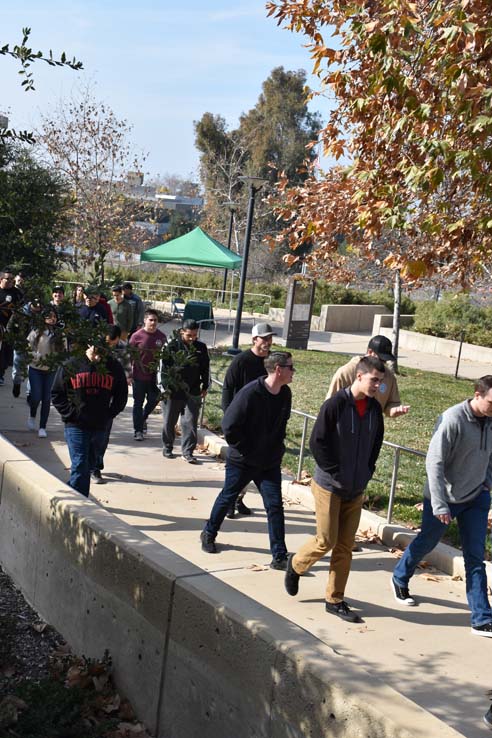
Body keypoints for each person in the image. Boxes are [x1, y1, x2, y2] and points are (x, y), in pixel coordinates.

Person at [284, 355, 385, 622]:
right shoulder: (335, 405)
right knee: (326, 540)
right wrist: (335, 471)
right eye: (374, 380)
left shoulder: (374, 410)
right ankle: (296, 565)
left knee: (345, 546)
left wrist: (367, 471)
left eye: (380, 382)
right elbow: (317, 442)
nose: (377, 386)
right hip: (329, 486)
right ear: (359, 376)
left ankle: (335, 599)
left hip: (356, 488)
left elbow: (376, 444)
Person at [391, 376, 492, 637]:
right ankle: (400, 577)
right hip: (444, 498)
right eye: (491, 402)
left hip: (476, 497)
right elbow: (434, 463)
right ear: (477, 395)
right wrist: (439, 504)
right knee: (427, 541)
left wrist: (487, 484)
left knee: (475, 557)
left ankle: (481, 618)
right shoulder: (452, 419)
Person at [200, 351, 294, 569]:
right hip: (243, 460)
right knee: (228, 496)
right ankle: (209, 533)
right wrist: (245, 449)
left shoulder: (285, 394)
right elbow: (229, 426)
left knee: (275, 506)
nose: (293, 372)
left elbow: (282, 424)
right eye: (290, 367)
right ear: (278, 369)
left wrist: (277, 448)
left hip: (269, 462)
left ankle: (279, 555)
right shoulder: (250, 393)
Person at [51, 341, 128, 497]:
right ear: (87, 348)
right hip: (75, 425)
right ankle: (82, 508)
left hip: (100, 425)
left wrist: (109, 414)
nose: (98, 357)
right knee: (80, 464)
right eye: (95, 353)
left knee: (90, 464)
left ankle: (69, 495)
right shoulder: (71, 365)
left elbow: (121, 395)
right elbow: (57, 393)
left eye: (102, 354)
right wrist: (70, 414)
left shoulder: (113, 367)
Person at [221, 321, 276, 518]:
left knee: (251, 469)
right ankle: (228, 502)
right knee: (238, 470)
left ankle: (237, 499)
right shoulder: (241, 361)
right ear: (254, 339)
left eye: (270, 338)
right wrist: (229, 418)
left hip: (261, 426)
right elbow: (228, 389)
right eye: (264, 338)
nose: (268, 342)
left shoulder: (270, 362)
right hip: (240, 423)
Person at [160, 319, 209, 463]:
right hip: (173, 389)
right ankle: (167, 446)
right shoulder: (171, 345)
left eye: (195, 335)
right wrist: (164, 387)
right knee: (169, 420)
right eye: (189, 335)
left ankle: (187, 451)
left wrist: (205, 386)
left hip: (193, 390)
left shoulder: (201, 347)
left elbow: (206, 368)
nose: (192, 338)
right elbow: (162, 368)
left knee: (190, 421)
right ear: (182, 332)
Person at [326, 335, 409, 418]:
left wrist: (394, 410)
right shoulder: (346, 372)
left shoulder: (389, 377)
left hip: (370, 427)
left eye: (385, 361)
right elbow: (329, 407)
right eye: (380, 359)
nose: (382, 364)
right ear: (370, 352)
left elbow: (391, 404)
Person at [90, 325, 131, 484]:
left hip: (109, 397)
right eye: (108, 342)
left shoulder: (122, 349)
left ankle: (96, 468)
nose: (110, 346)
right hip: (91, 393)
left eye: (113, 343)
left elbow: (127, 369)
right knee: (88, 436)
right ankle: (85, 463)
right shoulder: (94, 346)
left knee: (102, 437)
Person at [26, 308, 65, 437]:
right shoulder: (36, 332)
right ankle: (32, 415)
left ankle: (42, 427)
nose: (52, 319)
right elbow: (27, 348)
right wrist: (36, 357)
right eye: (49, 316)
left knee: (47, 399)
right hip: (35, 369)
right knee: (36, 396)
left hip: (51, 371)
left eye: (54, 316)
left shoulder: (60, 334)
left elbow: (63, 352)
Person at [129, 309, 166, 441]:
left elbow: (166, 358)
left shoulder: (162, 337)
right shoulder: (136, 336)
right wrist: (128, 374)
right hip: (138, 376)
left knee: (154, 399)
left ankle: (143, 417)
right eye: (151, 320)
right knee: (138, 403)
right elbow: (128, 356)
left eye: (155, 320)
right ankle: (138, 430)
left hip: (155, 378)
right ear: (145, 320)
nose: (153, 322)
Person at [0, 270, 23, 386]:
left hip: (9, 328)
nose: (10, 281)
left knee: (4, 351)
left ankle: (1, 374)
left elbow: (23, 308)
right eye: (7, 279)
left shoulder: (17, 293)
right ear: (1, 280)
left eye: (11, 279)